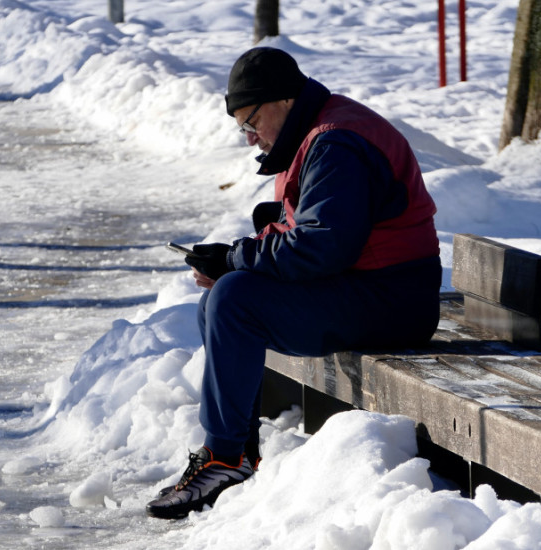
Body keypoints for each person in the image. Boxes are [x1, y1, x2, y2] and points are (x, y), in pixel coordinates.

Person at [146, 47, 442, 519]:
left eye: (251, 122)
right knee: (223, 297)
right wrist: (235, 258)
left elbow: (321, 247)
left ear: (284, 100)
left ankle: (225, 457)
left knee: (234, 300)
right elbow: (304, 233)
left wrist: (236, 258)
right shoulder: (315, 130)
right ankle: (236, 453)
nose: (249, 138)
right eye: (242, 127)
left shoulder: (336, 142)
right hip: (372, 289)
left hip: (393, 299)